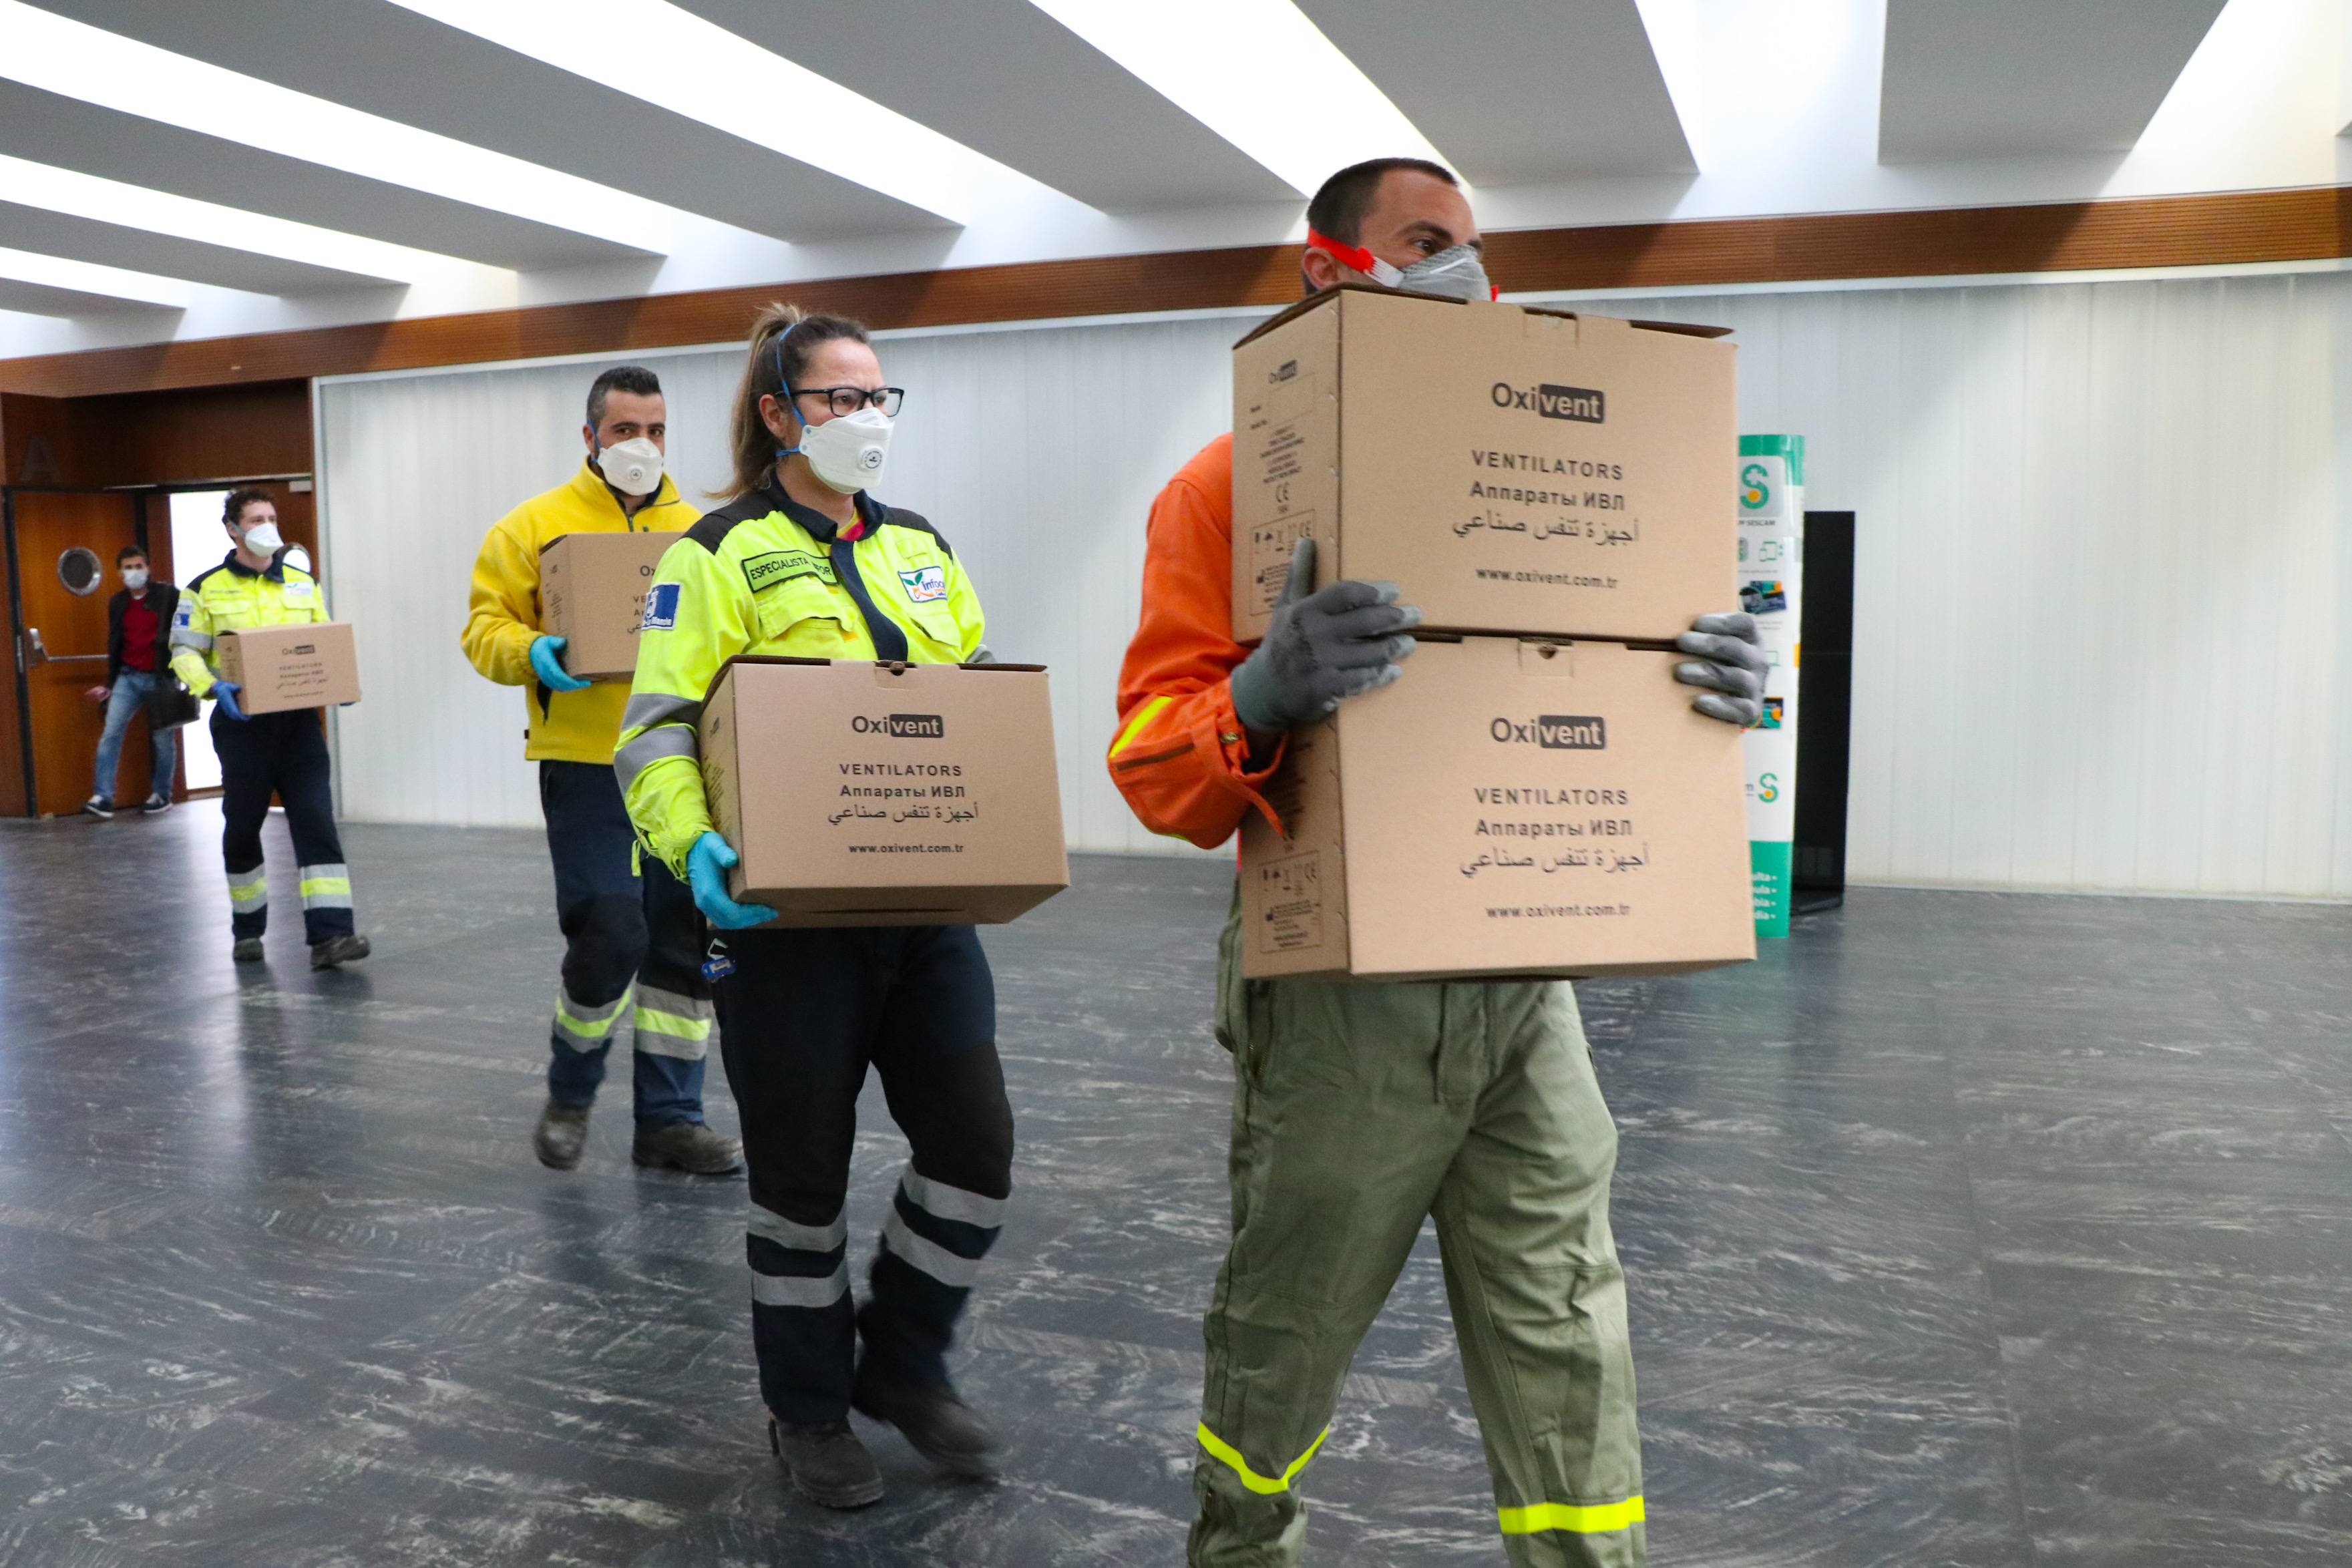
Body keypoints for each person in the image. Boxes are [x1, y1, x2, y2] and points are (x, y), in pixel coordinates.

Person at [1106, 158, 1772, 1568]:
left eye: (1473, 248)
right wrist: (1263, 694)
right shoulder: (1226, 488)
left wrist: (1708, 681)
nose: (1465, 274)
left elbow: (1604, 680)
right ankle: (1241, 1542)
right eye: (1426, 243)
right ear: (1327, 268)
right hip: (1346, 992)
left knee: (1566, 1306)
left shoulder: (1532, 481)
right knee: (1295, 1312)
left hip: (1525, 972)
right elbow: (1156, 769)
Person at [617, 305, 1007, 1509]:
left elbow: (972, 691)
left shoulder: (922, 546)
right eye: (843, 398)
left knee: (975, 1149)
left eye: (881, 396)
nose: (869, 418)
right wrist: (693, 849)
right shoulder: (713, 553)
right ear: (782, 413)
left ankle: (900, 1360)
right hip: (784, 920)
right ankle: (807, 1408)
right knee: (802, 1179)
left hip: (925, 904)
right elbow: (653, 730)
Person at [462, 365, 742, 1179]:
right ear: (590, 437)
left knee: (685, 946)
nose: (642, 446)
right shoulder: (533, 528)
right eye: (625, 431)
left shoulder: (701, 531)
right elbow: (483, 628)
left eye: (656, 430)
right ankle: (572, 1088)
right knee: (611, 928)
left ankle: (671, 1120)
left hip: (681, 763)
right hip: (586, 763)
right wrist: (530, 652)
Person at [170, 489, 373, 970]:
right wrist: (211, 686)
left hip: (299, 727)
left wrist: (339, 679)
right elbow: (183, 652)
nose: (267, 526)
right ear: (233, 529)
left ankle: (331, 936)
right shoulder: (204, 590)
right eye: (256, 519)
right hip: (242, 729)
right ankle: (248, 930)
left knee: (315, 821)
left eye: (272, 517)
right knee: (243, 828)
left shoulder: (302, 583)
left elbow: (323, 641)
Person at [81, 544, 180, 819]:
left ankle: (162, 794)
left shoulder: (168, 596)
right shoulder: (118, 602)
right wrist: (109, 684)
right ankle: (103, 796)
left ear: (148, 568)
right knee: (111, 734)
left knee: (163, 740)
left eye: (139, 566)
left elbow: (185, 629)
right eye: (129, 567)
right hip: (128, 677)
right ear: (119, 572)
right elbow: (115, 642)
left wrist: (184, 669)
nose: (135, 572)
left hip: (162, 678)